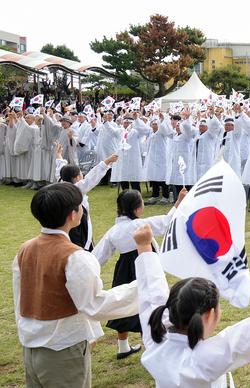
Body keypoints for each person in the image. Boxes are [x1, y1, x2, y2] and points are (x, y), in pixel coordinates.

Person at [131, 224, 250, 388]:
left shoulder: (156, 341)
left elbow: (152, 295)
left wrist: (144, 247)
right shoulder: (201, 360)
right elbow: (237, 340)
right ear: (209, 315)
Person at [13, 182, 138, 387]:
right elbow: (95, 304)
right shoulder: (74, 256)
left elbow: (22, 300)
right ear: (73, 214)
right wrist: (143, 287)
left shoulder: (25, 249)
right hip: (62, 349)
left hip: (32, 344)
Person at [93, 188, 187, 359]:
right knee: (152, 303)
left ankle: (123, 347)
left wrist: (89, 269)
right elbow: (167, 222)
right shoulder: (140, 225)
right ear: (136, 209)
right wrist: (179, 202)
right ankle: (154, 345)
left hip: (123, 269)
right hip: (143, 265)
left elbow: (99, 256)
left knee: (122, 306)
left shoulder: (113, 230)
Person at [55, 143, 118, 250]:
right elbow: (92, 177)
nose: (83, 175)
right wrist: (107, 161)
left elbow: (60, 168)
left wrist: (58, 155)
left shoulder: (61, 182)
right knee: (81, 247)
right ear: (76, 178)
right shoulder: (77, 189)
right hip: (78, 225)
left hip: (66, 224)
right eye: (81, 174)